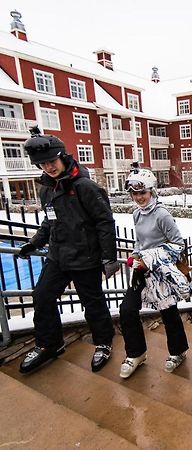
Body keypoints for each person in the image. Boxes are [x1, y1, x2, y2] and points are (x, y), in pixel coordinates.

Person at [18, 128, 118, 374]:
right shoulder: (47, 190)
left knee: (92, 303)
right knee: (42, 296)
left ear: (62, 156)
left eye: (51, 161)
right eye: (42, 164)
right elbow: (49, 223)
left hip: (86, 258)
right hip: (58, 256)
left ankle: (103, 342)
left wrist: (109, 257)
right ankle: (49, 344)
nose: (48, 168)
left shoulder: (85, 187)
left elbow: (105, 222)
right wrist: (35, 243)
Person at [119, 167, 190, 378]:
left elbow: (179, 244)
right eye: (135, 193)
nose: (139, 197)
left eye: (143, 193)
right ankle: (136, 354)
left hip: (160, 272)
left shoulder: (162, 215)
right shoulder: (136, 214)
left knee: (169, 314)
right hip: (141, 269)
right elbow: (140, 241)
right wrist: (134, 254)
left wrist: (148, 260)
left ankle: (178, 353)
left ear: (152, 191)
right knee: (127, 310)